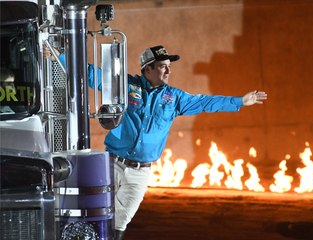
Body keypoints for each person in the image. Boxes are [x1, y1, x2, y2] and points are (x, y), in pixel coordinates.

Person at [46, 45, 267, 240]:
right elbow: (90, 74)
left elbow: (205, 102)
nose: (169, 71)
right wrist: (60, 57)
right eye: (163, 66)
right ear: (148, 69)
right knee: (95, 214)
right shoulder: (125, 86)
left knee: (121, 222)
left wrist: (239, 101)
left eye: (169, 66)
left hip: (140, 173)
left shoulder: (174, 98)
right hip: (112, 164)